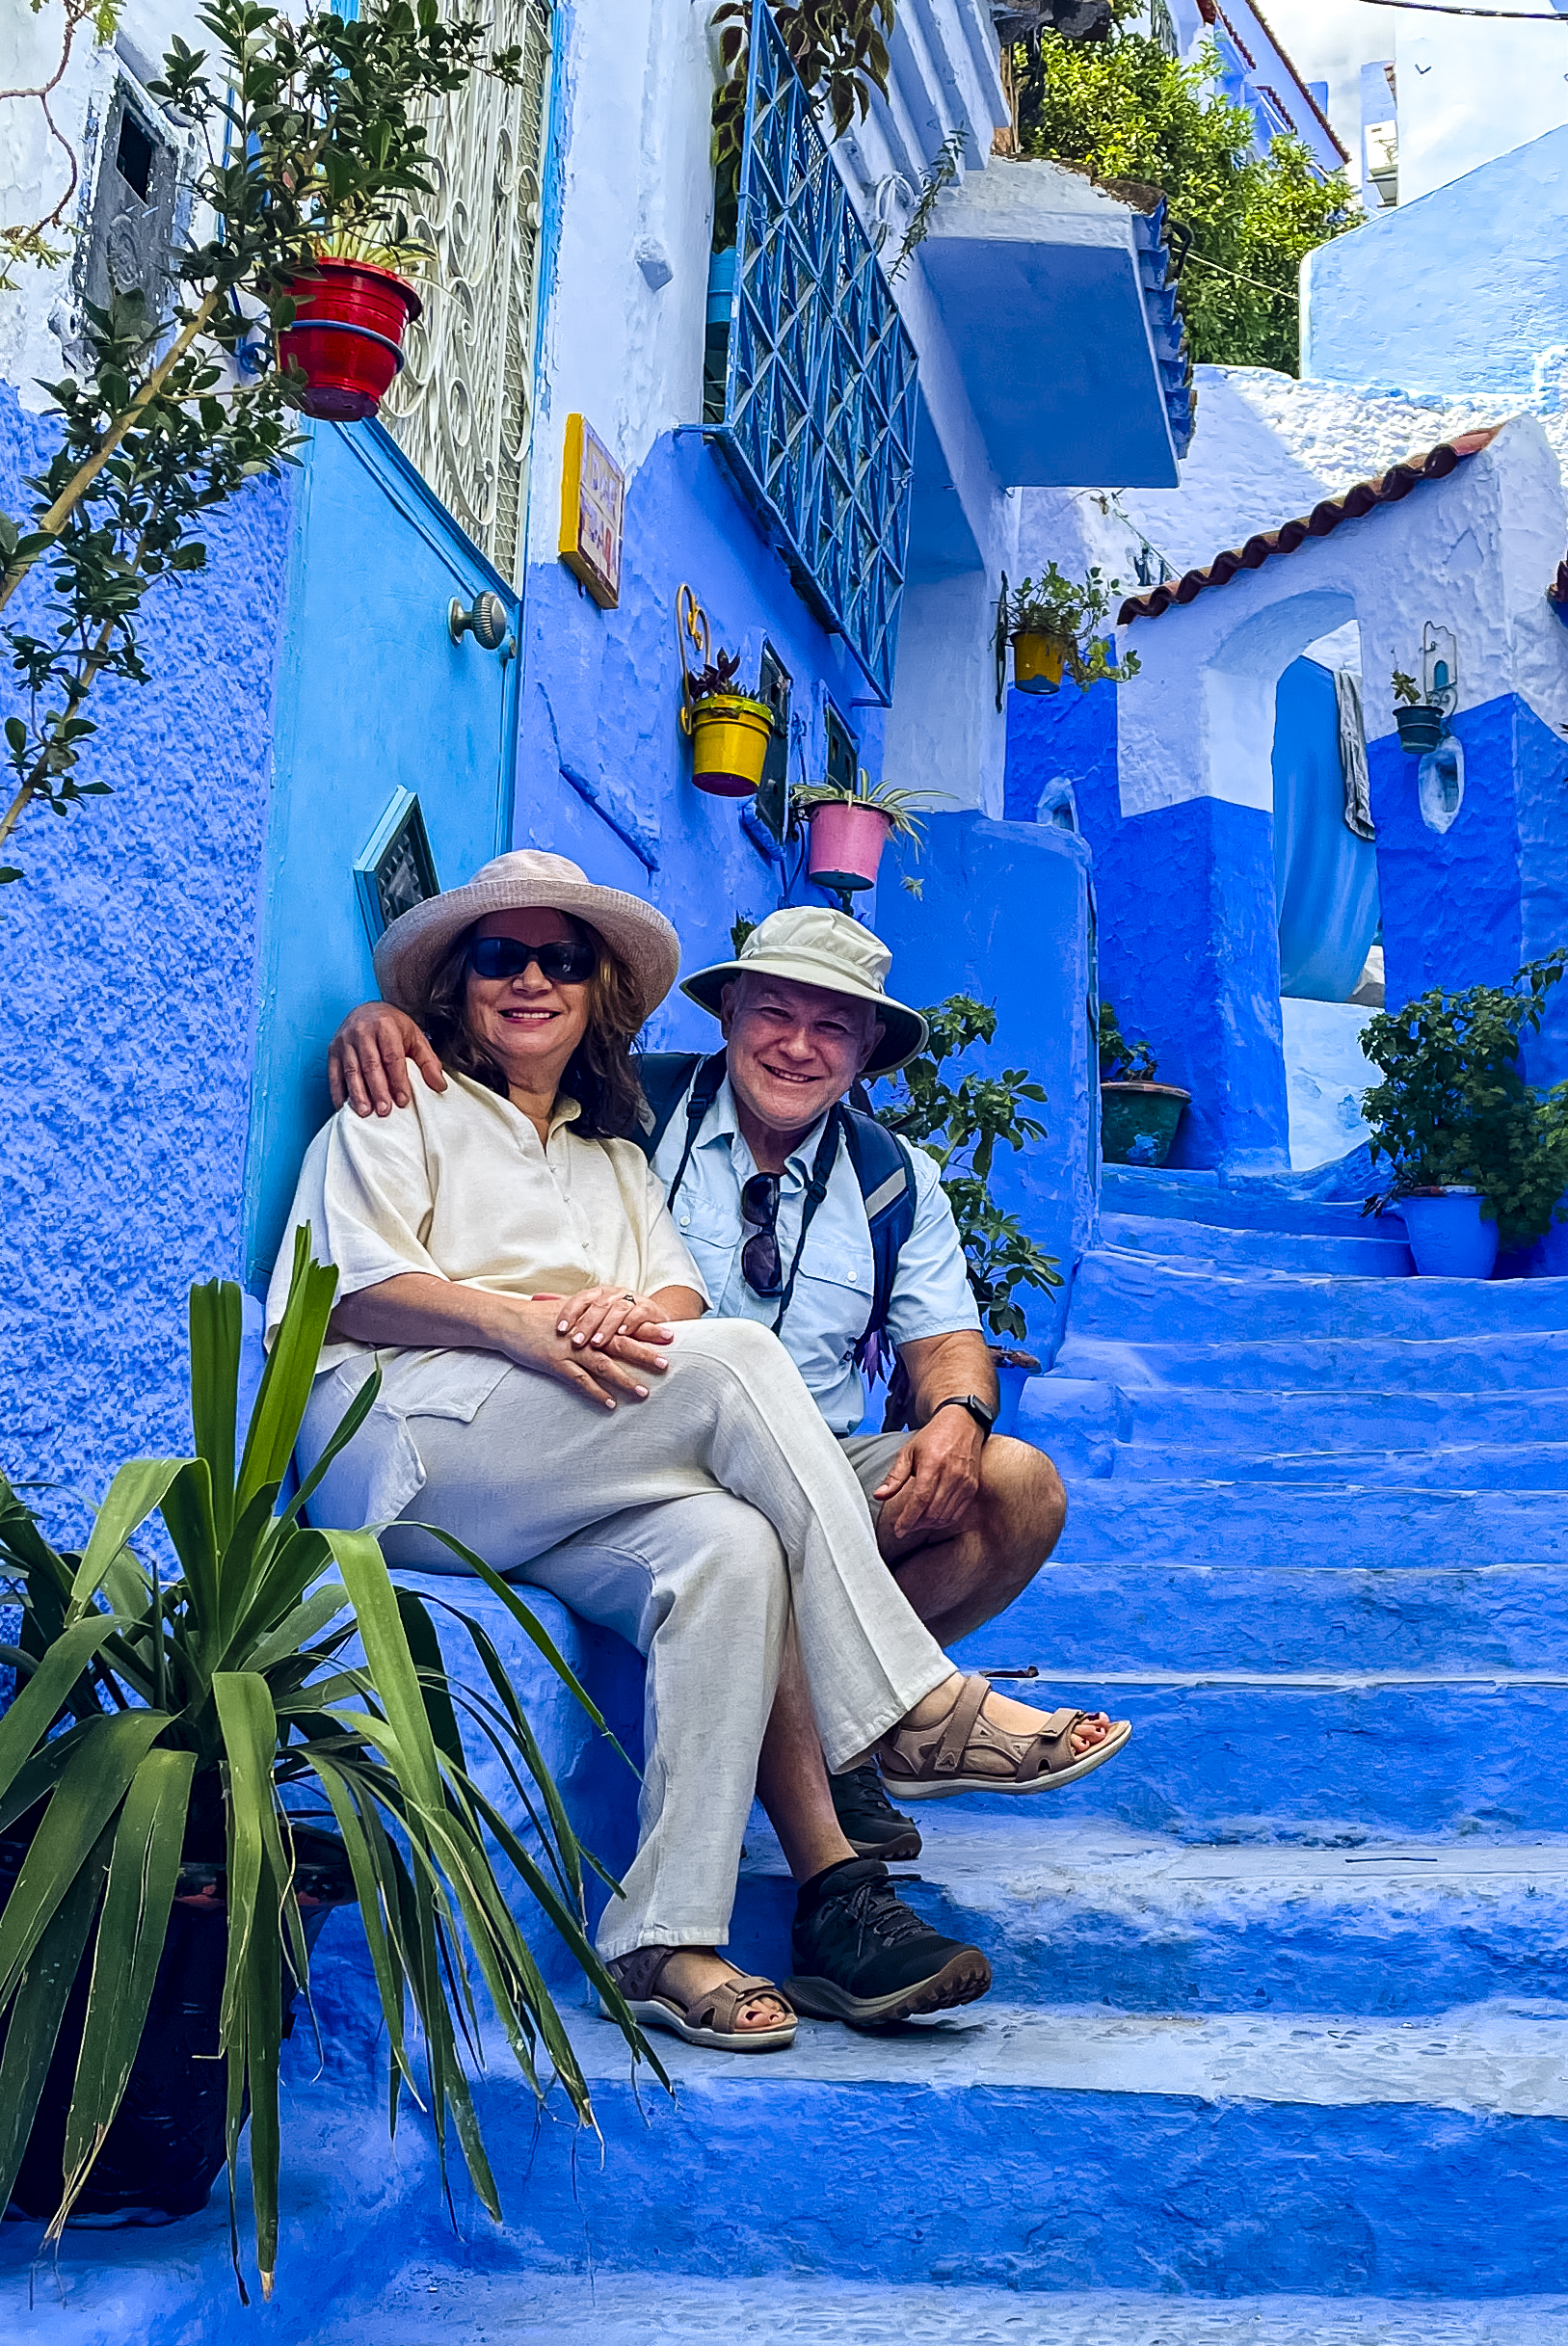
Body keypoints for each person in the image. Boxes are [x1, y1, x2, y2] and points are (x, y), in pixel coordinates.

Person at [267, 851, 1128, 2051]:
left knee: (729, 1547)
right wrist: (526, 1320)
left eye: (559, 961)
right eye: (497, 957)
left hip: (584, 1454)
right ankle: (910, 1709)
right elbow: (346, 1285)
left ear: (596, 990)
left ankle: (665, 1938)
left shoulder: (614, 1150)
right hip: (412, 1446)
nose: (528, 980)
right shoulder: (405, 1101)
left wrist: (634, 1320)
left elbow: (671, 1299)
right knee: (735, 1364)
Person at [327, 903, 1078, 1864]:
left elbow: (949, 1341)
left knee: (1018, 1487)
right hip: (629, 1446)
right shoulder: (629, 1110)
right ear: (727, 1017)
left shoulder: (896, 1181)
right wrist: (383, 1020)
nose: (798, 1048)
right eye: (774, 1013)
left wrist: (958, 1417)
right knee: (739, 1472)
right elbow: (516, 1052)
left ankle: (847, 1721)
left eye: (832, 1027)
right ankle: (897, 1713)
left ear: (865, 1054)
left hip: (821, 1467)